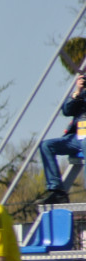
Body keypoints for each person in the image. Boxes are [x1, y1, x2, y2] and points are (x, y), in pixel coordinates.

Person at [38, 73, 86, 205]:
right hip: (77, 136)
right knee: (46, 146)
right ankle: (57, 192)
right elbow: (66, 110)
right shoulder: (82, 95)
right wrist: (77, 92)